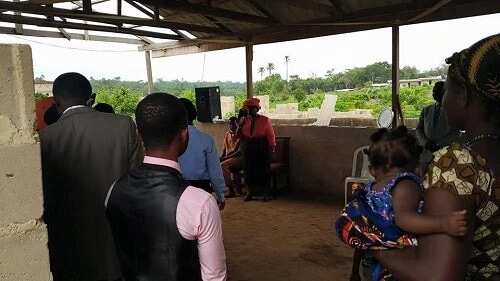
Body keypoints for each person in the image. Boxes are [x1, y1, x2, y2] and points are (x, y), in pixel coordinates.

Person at [370, 34, 500, 281]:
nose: (443, 100)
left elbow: (436, 276)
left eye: (448, 88)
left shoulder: (457, 164)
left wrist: (372, 245)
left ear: (464, 95)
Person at [105, 93, 227, 281]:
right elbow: (214, 276)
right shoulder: (200, 203)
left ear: (139, 133)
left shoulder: (114, 190)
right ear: (184, 134)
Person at [40, 72, 143, 281]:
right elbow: (138, 180)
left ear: (55, 102)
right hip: (118, 245)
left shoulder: (45, 138)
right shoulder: (123, 126)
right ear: (92, 98)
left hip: (69, 250)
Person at [336, 126, 467, 281]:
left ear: (372, 170)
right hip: (393, 268)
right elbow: (404, 219)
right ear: (415, 164)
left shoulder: (368, 190)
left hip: (370, 264)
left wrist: (354, 271)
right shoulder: (406, 184)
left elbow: (363, 235)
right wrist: (443, 224)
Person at [178, 98, 226, 210]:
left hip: (175, 190)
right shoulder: (205, 140)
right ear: (194, 115)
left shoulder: (168, 141)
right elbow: (215, 172)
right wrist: (220, 195)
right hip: (201, 190)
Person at [238, 98, 276, 201]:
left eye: (251, 108)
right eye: (247, 108)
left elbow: (271, 136)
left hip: (261, 146)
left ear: (256, 109)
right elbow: (238, 135)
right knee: (248, 170)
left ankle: (266, 193)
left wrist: (272, 148)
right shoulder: (244, 120)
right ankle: (249, 192)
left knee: (263, 170)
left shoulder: (265, 120)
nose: (249, 110)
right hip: (248, 146)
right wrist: (240, 124)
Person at [416, 81, 459, 172]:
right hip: (426, 156)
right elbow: (419, 129)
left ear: (445, 93)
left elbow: (456, 133)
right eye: (434, 91)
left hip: (446, 155)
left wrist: (438, 145)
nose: (434, 93)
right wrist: (425, 143)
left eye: (438, 91)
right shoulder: (426, 110)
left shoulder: (453, 111)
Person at [221, 117, 243, 197]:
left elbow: (239, 152)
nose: (231, 125)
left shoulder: (241, 134)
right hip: (229, 158)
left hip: (239, 158)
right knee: (215, 163)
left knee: (223, 165)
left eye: (233, 124)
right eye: (230, 124)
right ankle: (218, 187)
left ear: (237, 124)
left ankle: (231, 190)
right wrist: (221, 157)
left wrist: (226, 158)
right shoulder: (227, 134)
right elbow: (224, 149)